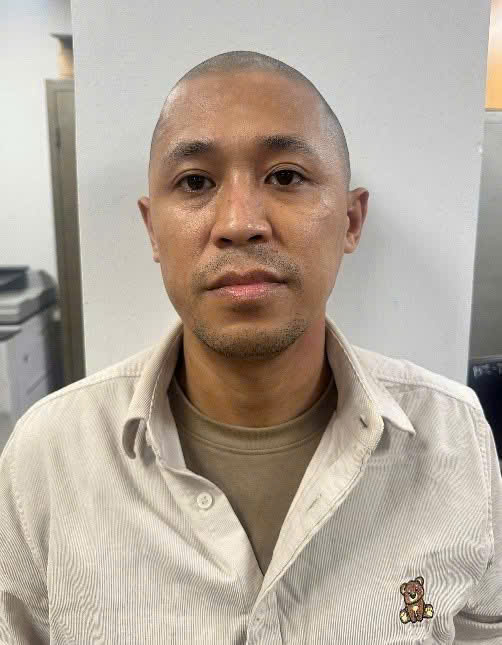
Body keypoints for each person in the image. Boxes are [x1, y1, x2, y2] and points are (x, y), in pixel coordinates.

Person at [1, 50, 501, 644]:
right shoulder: (49, 455)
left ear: (350, 220)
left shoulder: (455, 438)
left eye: (285, 176)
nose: (239, 223)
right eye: (196, 182)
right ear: (153, 230)